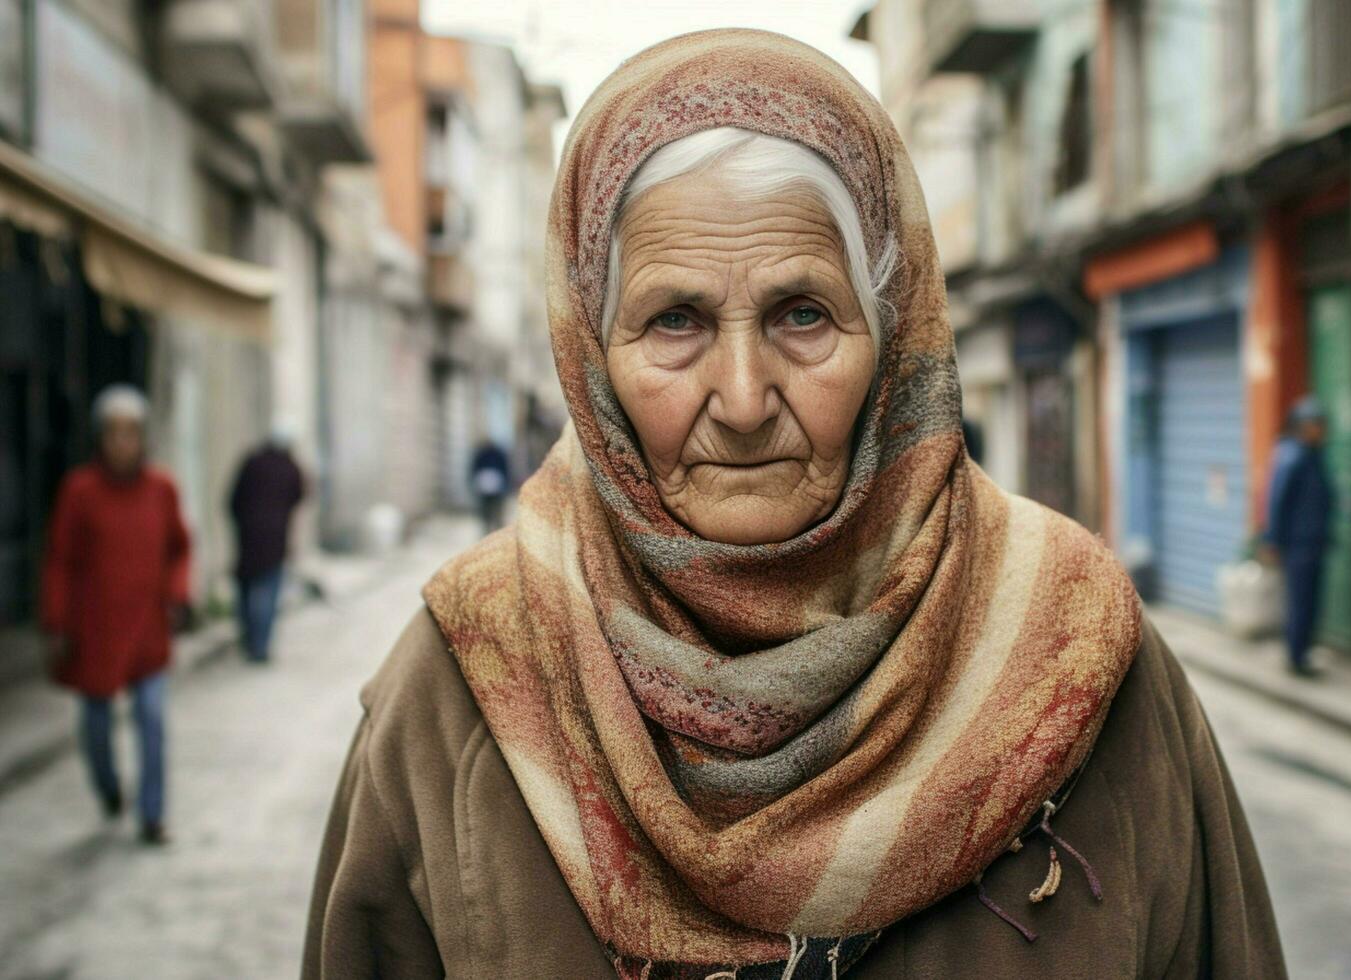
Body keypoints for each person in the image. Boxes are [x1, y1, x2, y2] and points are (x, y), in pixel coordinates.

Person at [305, 31, 1283, 979]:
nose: (740, 398)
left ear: (892, 333)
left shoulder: (1080, 650)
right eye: (674, 320)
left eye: (803, 314)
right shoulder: (463, 680)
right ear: (592, 353)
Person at [41, 384, 191, 845]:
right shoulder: (80, 490)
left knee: (151, 720)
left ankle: (151, 814)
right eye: (113, 432)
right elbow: (60, 558)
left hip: (145, 626)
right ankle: (108, 789)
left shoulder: (161, 488)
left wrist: (177, 593)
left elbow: (179, 548)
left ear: (144, 437)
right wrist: (57, 622)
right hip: (96, 629)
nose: (123, 442)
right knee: (97, 727)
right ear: (100, 438)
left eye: (131, 432)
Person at [1263, 397, 1334, 676]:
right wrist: (1272, 540)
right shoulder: (1293, 456)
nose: (1320, 430)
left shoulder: (1314, 455)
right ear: (1302, 426)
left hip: (1314, 541)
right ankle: (1296, 657)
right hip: (1298, 544)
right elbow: (1277, 500)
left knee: (1311, 600)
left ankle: (1303, 651)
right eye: (1315, 424)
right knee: (1301, 600)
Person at [228, 424, 307, 663]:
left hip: (248, 537)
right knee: (268, 595)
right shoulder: (291, 468)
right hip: (274, 540)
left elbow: (233, 499)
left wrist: (243, 522)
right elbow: (299, 496)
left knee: (247, 590)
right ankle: (260, 646)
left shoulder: (252, 462)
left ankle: (249, 639)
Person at [468, 436, 510, 531]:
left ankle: (494, 527)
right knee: (489, 509)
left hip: (494, 486)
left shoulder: (490, 454)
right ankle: (490, 526)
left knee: (494, 509)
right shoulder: (484, 454)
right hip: (486, 486)